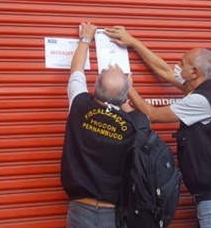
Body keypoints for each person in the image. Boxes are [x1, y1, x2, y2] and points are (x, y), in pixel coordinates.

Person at [105, 26, 211, 228]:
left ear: (194, 72)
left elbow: (150, 113)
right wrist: (133, 43)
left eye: (182, 63)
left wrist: (125, 85)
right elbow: (165, 71)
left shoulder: (202, 100)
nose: (177, 66)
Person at [60, 22, 149, 228]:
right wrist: (127, 90)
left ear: (94, 87)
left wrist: (86, 38)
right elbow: (134, 113)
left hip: (80, 210)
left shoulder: (79, 104)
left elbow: (76, 71)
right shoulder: (136, 123)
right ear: (126, 96)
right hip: (114, 214)